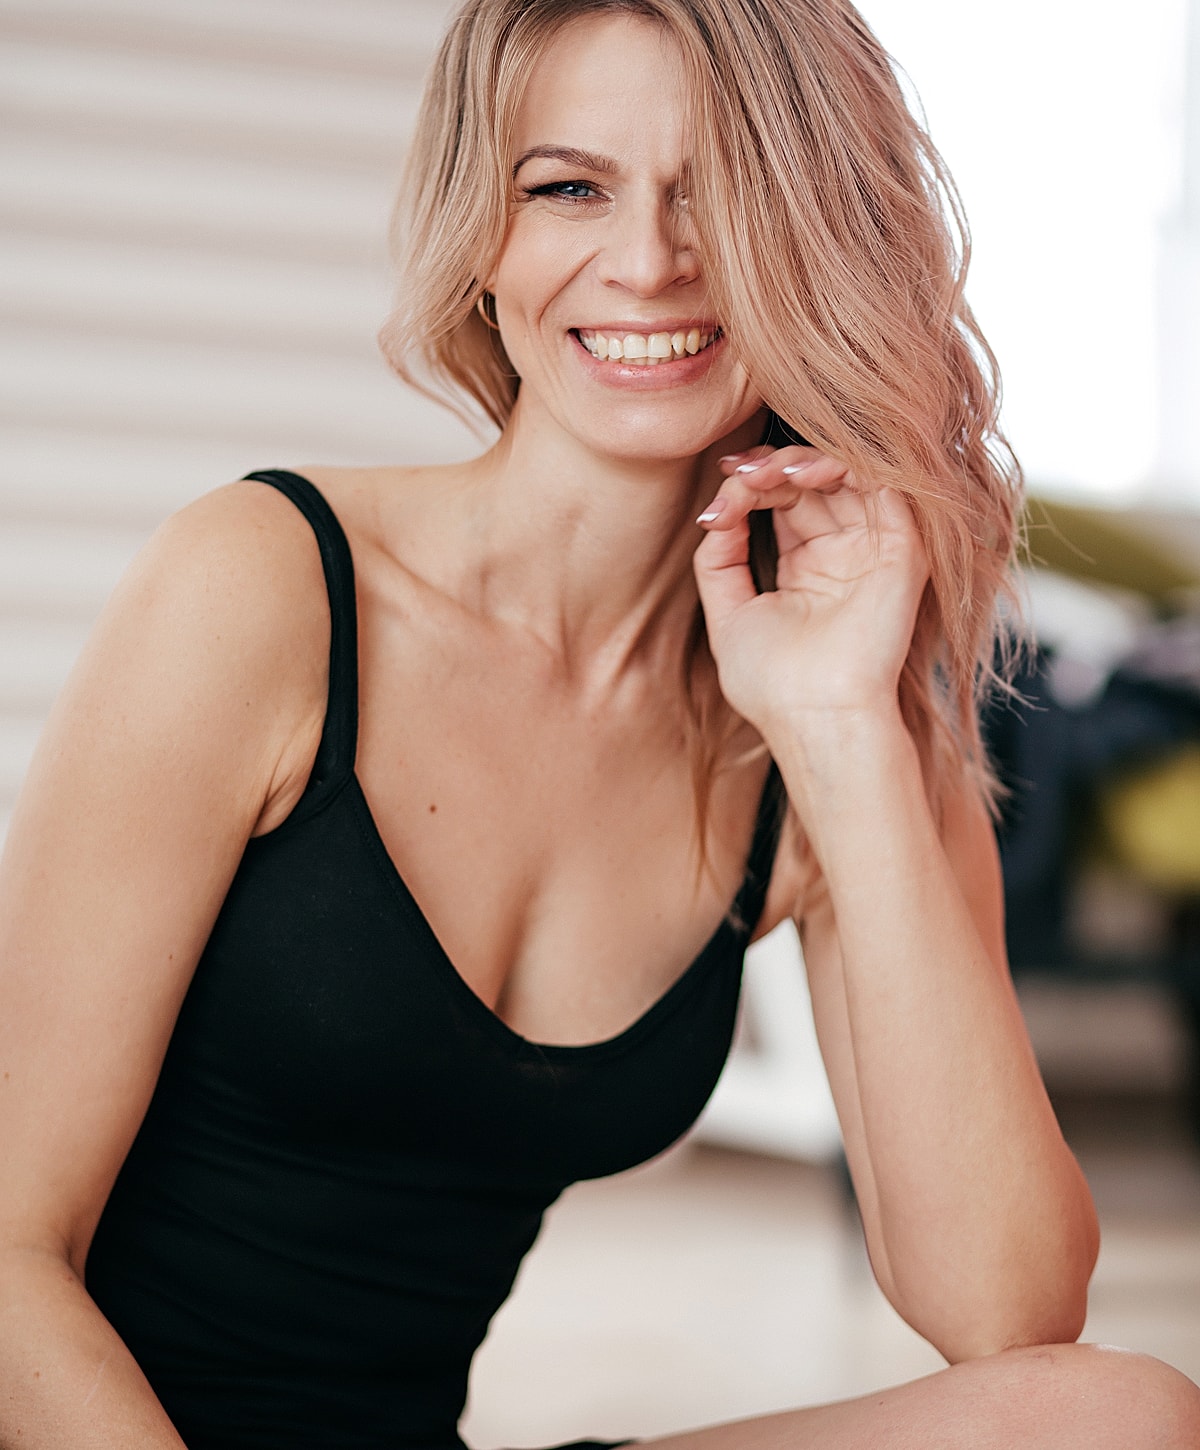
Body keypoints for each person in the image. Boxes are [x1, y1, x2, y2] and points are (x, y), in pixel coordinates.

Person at [1, 0, 1198, 1446]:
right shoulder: (264, 586)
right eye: (568, 187)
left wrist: (837, 732)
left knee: (1120, 1416)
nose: (647, 263)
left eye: (725, 194)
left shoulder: (835, 708)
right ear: (484, 240)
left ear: (817, 239)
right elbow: (9, 1252)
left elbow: (1007, 1316)